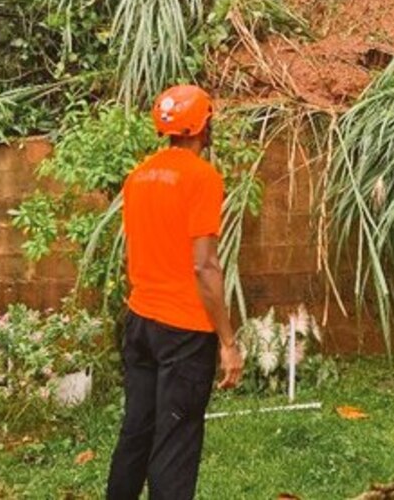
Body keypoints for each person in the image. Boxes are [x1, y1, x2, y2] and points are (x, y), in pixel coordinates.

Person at [107, 84, 244, 500]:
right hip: (183, 330)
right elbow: (204, 265)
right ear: (205, 126)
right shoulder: (202, 177)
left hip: (140, 322)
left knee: (137, 430)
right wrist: (228, 341)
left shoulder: (138, 176)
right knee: (176, 441)